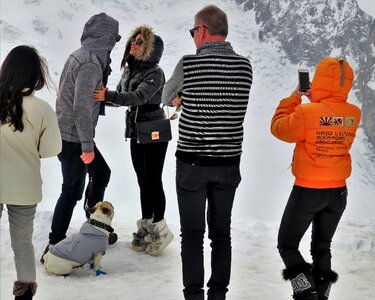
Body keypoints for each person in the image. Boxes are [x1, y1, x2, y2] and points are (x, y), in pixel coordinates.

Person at [162, 5, 253, 300]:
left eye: (193, 32)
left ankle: (193, 296)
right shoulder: (244, 67)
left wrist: (183, 96)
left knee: (192, 235)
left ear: (202, 29)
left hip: (191, 162)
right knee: (221, 234)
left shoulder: (189, 65)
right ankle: (218, 295)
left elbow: (165, 95)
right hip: (228, 163)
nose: (192, 38)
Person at [270, 57, 361, 300]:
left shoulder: (305, 112)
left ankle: (305, 290)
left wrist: (295, 96)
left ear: (318, 80)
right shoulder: (354, 113)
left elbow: (279, 128)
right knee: (322, 247)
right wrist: (316, 101)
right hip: (338, 193)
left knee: (287, 244)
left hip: (308, 191)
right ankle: (321, 295)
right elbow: (329, 118)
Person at [42, 13, 120, 260]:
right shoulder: (89, 62)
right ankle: (54, 245)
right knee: (72, 190)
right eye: (115, 37)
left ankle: (94, 227)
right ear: (106, 37)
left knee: (101, 173)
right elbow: (81, 107)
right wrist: (87, 145)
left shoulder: (82, 55)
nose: (116, 42)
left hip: (70, 133)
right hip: (74, 137)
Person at [93, 25, 173, 256]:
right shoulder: (129, 71)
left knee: (153, 179)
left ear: (150, 49)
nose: (133, 45)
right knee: (142, 180)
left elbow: (137, 97)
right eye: (133, 41)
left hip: (153, 129)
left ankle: (159, 230)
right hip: (136, 130)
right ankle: (146, 228)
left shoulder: (155, 73)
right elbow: (121, 98)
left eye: (139, 42)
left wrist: (105, 96)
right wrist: (99, 99)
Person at [0, 45, 62, 300]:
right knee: (22, 244)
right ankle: (24, 294)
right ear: (36, 74)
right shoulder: (42, 109)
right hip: (24, 187)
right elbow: (51, 150)